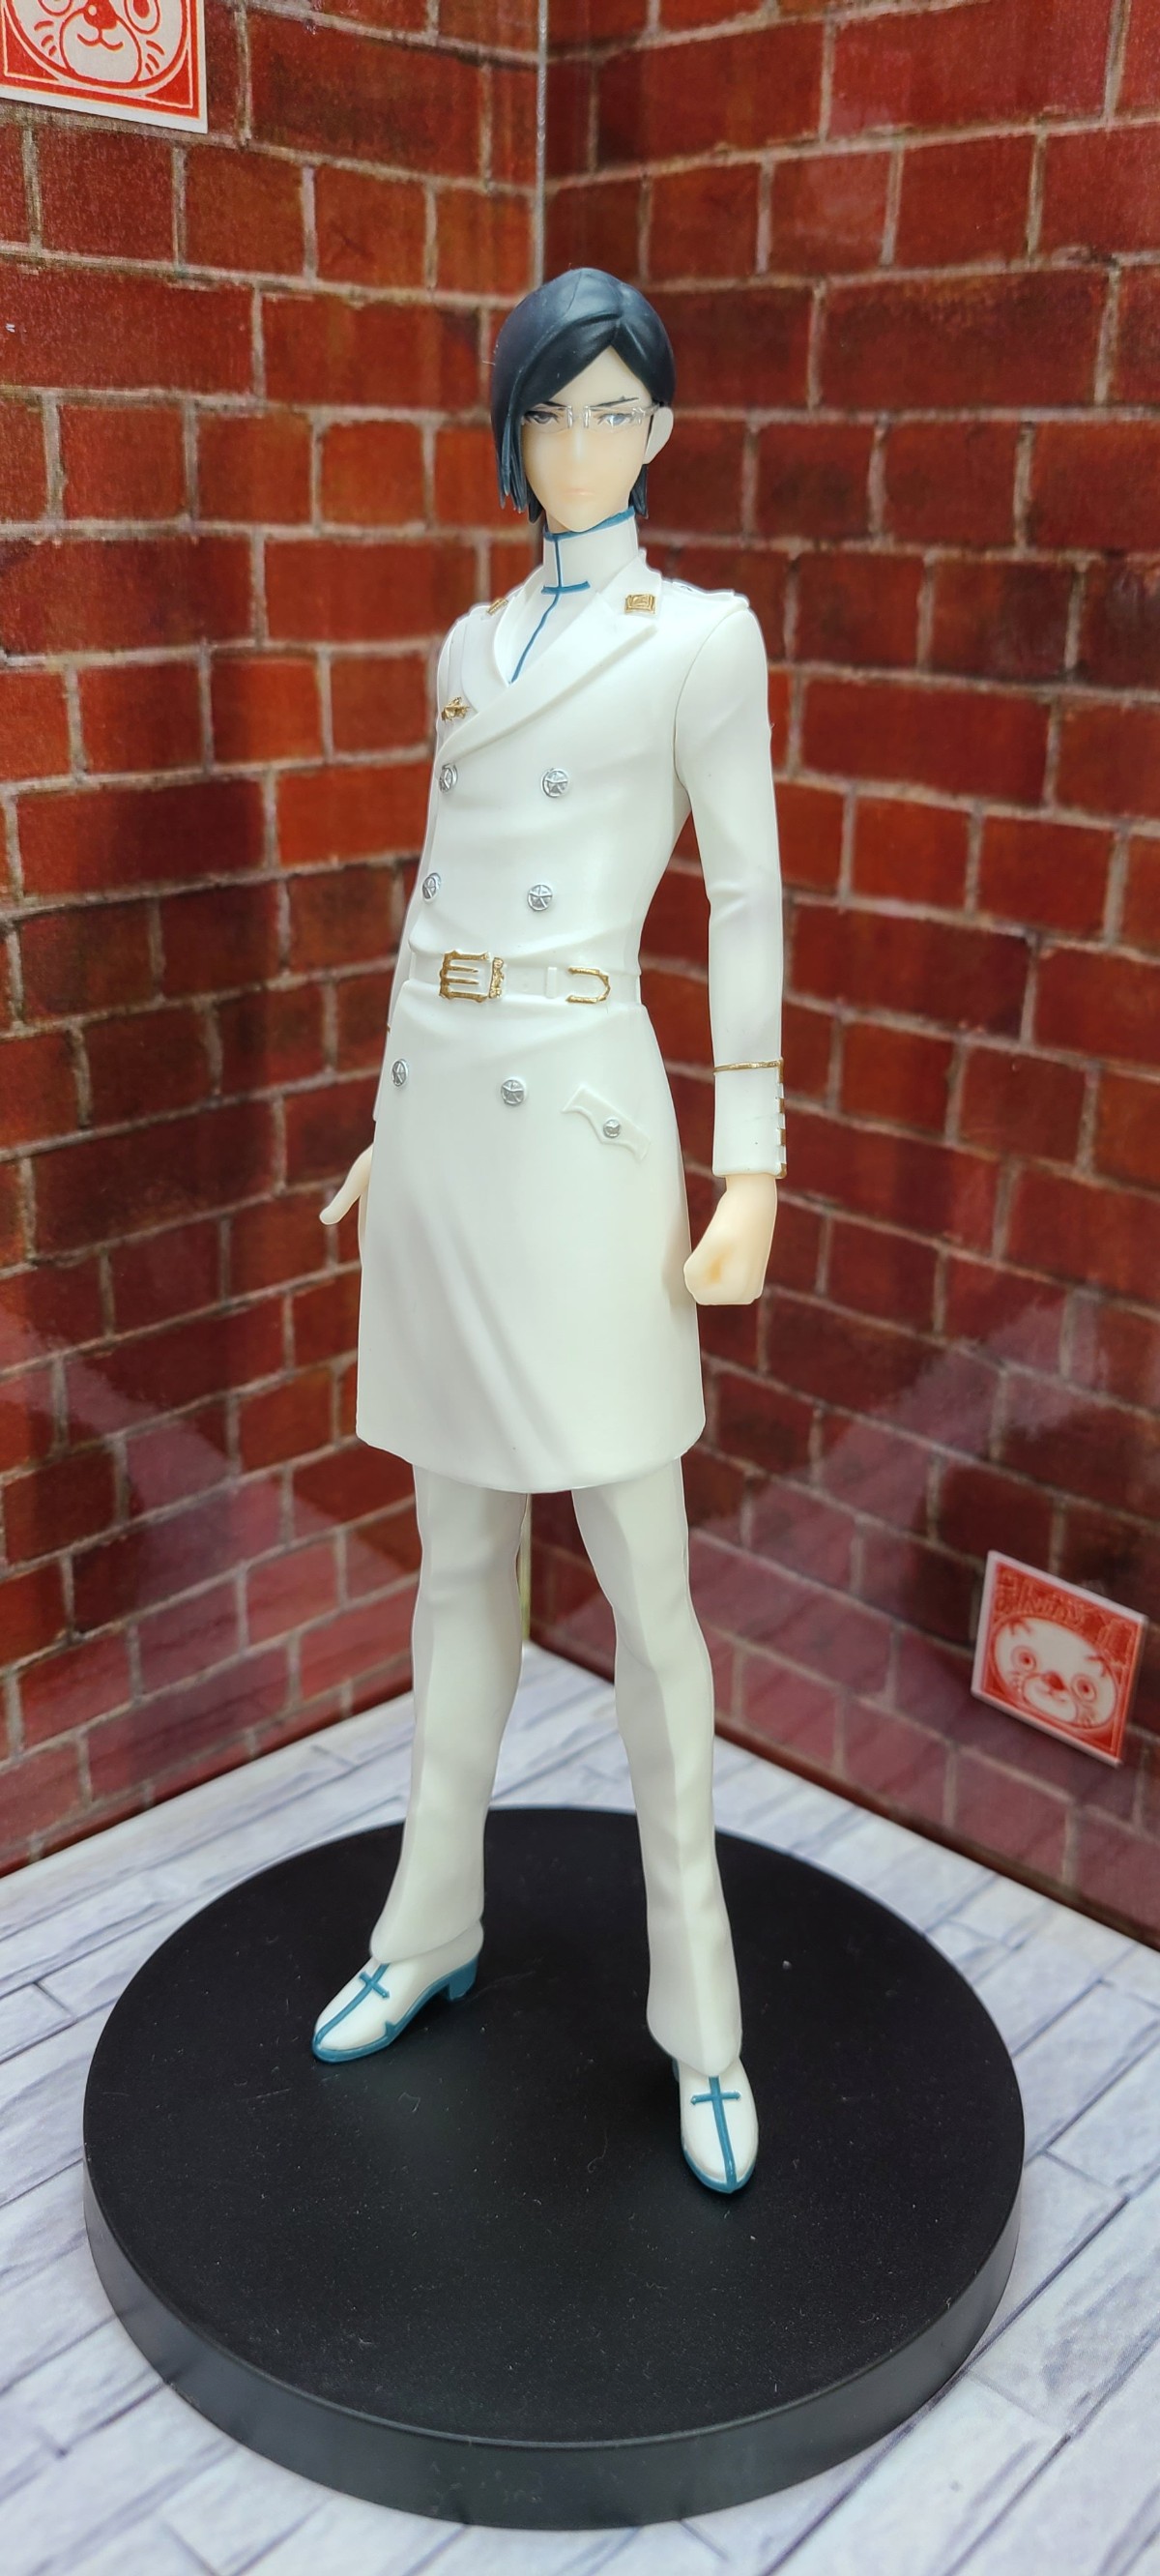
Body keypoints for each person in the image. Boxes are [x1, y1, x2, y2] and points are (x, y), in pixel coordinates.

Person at [311, 268, 785, 2195]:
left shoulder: (704, 642)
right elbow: (436, 890)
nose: (577, 444)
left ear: (657, 429)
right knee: (454, 1562)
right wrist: (382, 1124)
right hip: (448, 1124)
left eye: (610, 410)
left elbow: (745, 900)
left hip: (583, 1120)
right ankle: (429, 1923)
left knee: (646, 1588)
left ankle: (705, 2017)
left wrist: (753, 1167)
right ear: (509, 432)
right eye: (547, 410)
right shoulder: (468, 644)